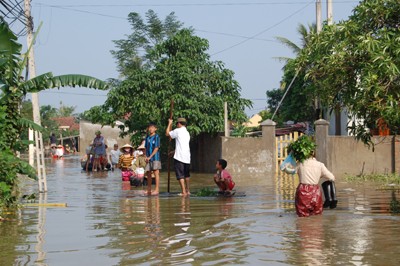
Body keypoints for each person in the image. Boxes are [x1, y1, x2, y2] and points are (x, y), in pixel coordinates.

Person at [289, 136, 336, 217]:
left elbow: (292, 171)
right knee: (316, 216)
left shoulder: (300, 163)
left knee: (302, 216)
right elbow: (332, 178)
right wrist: (320, 176)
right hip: (315, 192)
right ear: (313, 153)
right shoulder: (320, 165)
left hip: (302, 191)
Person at [166, 117, 191, 196]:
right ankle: (188, 191)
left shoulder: (178, 131)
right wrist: (173, 152)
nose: (176, 125)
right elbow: (182, 145)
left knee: (180, 175)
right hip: (187, 157)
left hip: (179, 157)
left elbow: (167, 133)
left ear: (179, 124)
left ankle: (183, 192)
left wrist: (169, 123)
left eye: (177, 124)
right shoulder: (187, 132)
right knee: (186, 175)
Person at [145, 122, 161, 196]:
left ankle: (157, 189)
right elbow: (145, 147)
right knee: (148, 173)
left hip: (155, 157)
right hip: (148, 157)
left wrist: (150, 156)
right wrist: (146, 156)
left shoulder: (157, 136)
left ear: (155, 129)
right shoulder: (147, 137)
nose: (151, 129)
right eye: (149, 127)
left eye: (152, 127)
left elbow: (156, 148)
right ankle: (149, 189)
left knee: (156, 172)